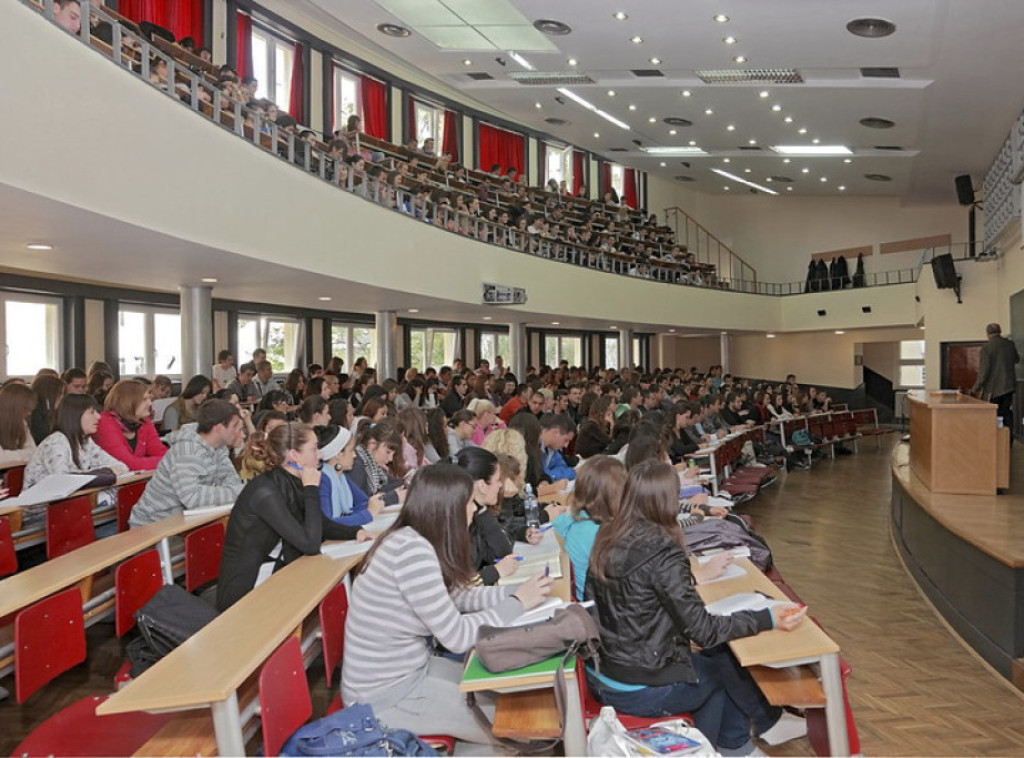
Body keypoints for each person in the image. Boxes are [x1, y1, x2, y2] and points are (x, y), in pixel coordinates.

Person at [586, 461, 808, 755]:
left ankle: (739, 744)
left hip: (602, 674)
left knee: (713, 661)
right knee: (720, 669)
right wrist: (766, 617)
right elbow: (704, 631)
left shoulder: (607, 539)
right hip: (640, 688)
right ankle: (731, 747)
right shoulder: (662, 550)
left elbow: (636, 597)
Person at [342, 464, 553, 747]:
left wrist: (520, 593)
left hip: (412, 671)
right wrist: (517, 603)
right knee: (518, 728)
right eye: (468, 503)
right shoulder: (412, 551)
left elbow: (461, 597)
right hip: (387, 695)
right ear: (448, 509)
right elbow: (457, 637)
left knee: (507, 702)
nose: (472, 509)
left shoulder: (415, 538)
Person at [217, 423, 371, 610]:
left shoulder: (292, 481)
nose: (320, 455)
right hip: (248, 587)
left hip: (277, 570)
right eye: (314, 449)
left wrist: (355, 532)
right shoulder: (265, 492)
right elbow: (310, 544)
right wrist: (311, 489)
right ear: (294, 455)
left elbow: (321, 523)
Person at [130, 399, 245, 526]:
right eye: (235, 426)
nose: (241, 432)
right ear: (218, 428)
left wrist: (237, 491)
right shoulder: (187, 451)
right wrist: (240, 491)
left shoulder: (219, 447)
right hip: (153, 525)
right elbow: (193, 497)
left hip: (184, 521)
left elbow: (231, 481)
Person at [24, 394, 128, 529]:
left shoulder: (86, 442)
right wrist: (104, 473)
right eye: (92, 412)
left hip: (72, 508)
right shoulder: (56, 441)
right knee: (119, 524)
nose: (99, 416)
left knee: (122, 518)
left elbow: (122, 467)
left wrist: (95, 476)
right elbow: (64, 482)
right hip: (41, 515)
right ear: (75, 415)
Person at [552, 456, 627, 600]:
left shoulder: (577, 521)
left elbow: (558, 524)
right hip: (605, 606)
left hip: (587, 601)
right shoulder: (604, 532)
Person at [455, 447, 520, 586]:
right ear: (482, 486)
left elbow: (502, 553)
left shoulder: (476, 514)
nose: (501, 485)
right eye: (497, 480)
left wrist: (482, 509)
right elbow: (459, 587)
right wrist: (495, 572)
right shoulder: (456, 522)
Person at [316, 424, 385, 527]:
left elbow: (364, 502)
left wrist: (373, 505)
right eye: (351, 450)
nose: (355, 455)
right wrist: (368, 514)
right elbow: (329, 524)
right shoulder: (322, 480)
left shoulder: (341, 477)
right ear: (338, 454)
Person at [94, 379, 167, 470]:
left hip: (135, 480)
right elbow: (128, 464)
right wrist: (168, 461)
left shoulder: (144, 421)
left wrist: (168, 460)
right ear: (128, 402)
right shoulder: (105, 423)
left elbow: (161, 452)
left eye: (149, 398)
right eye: (145, 399)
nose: (150, 403)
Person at [972, 322, 1020, 433]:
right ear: (1000, 331)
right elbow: (1017, 359)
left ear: (988, 333)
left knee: (994, 414)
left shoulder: (986, 348)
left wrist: (976, 387)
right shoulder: (1010, 344)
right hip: (1009, 386)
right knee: (1006, 412)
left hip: (993, 389)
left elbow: (984, 371)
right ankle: (1008, 439)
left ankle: (996, 438)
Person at [350, 421, 407, 506]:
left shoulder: (371, 465)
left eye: (393, 454)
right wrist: (393, 497)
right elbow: (360, 504)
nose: (390, 459)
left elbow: (390, 483)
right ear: (372, 444)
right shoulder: (356, 466)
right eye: (388, 452)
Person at [0, 382, 38, 465]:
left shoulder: (22, 422)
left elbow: (34, 452)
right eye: (26, 409)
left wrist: (12, 455)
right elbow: (1, 458)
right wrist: (23, 454)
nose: (29, 413)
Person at [30, 373, 65, 444]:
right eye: (60, 393)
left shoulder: (47, 411)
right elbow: (44, 438)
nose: (62, 397)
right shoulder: (36, 414)